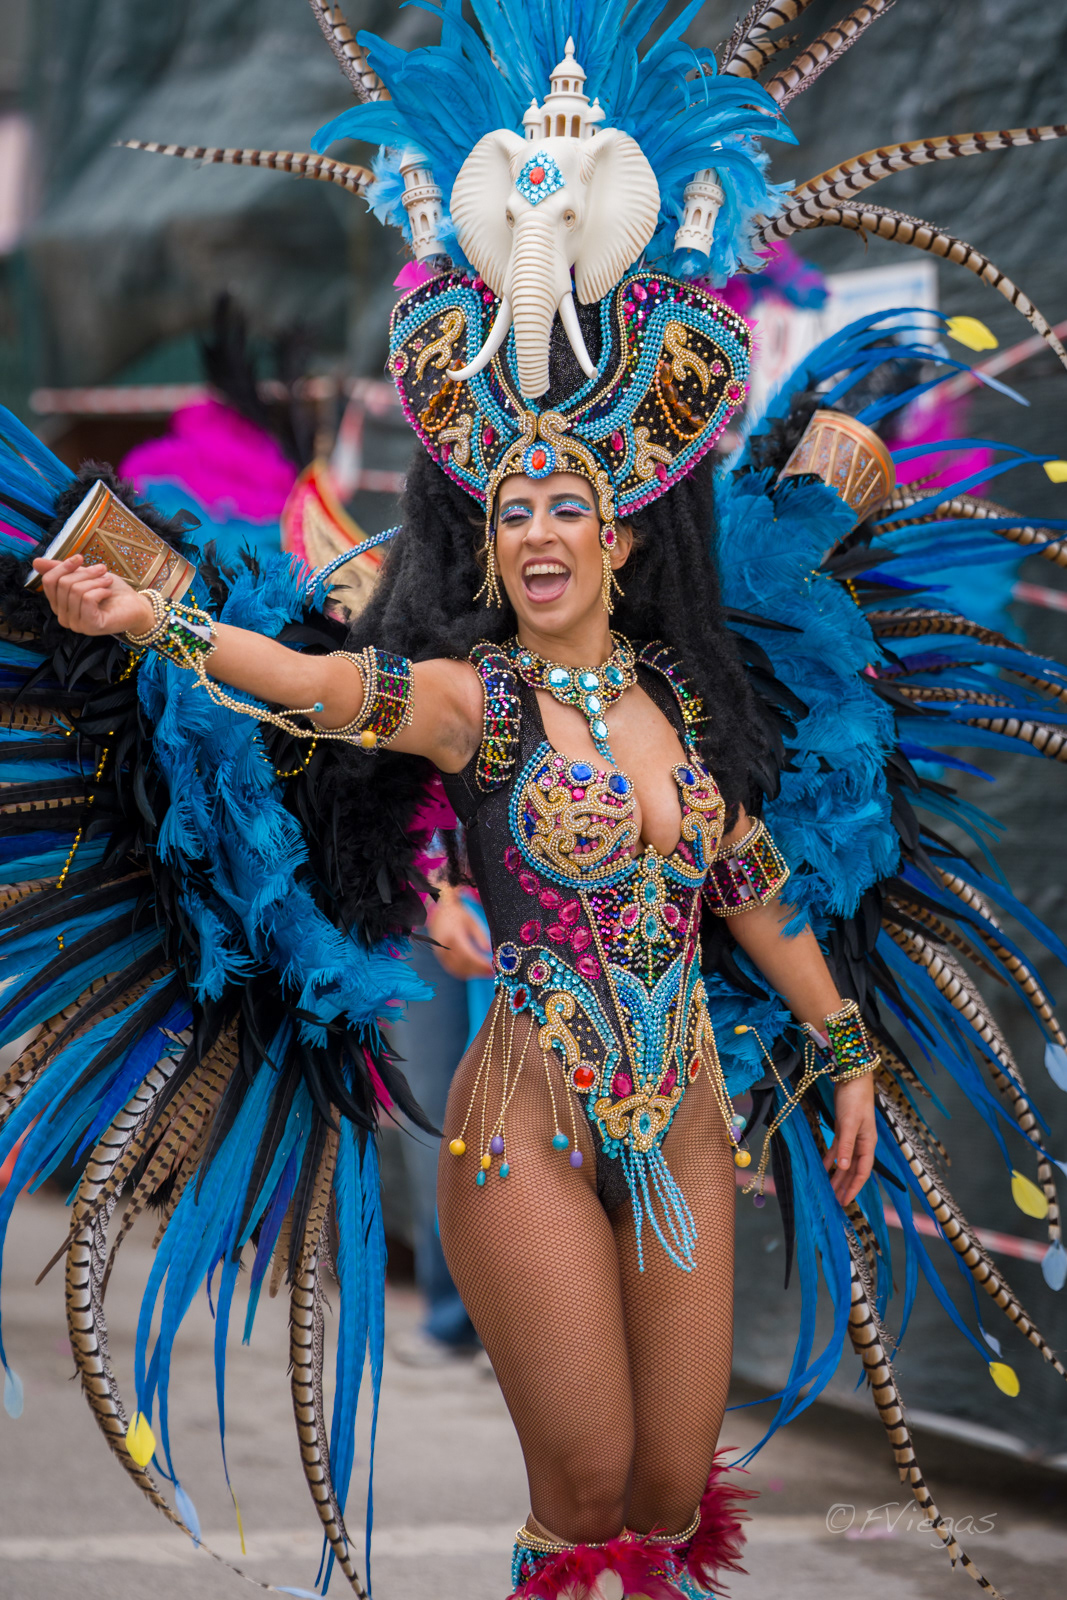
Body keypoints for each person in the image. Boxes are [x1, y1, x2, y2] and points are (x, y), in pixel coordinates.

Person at [2, 9, 1066, 1600]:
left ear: (619, 536)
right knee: (578, 1490)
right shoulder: (472, 702)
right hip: (526, 1127)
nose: (540, 532)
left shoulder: (687, 708)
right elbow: (313, 690)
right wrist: (154, 620)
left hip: (686, 1119)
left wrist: (840, 1048)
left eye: (568, 505)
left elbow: (749, 882)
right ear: (489, 548)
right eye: (511, 513)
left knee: (663, 1494)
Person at [389, 882, 492, 1365]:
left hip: (544, 893)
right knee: (434, 1117)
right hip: (424, 899)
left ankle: (526, 1321)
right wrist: (442, 897)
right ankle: (451, 1314)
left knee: (537, 1104)